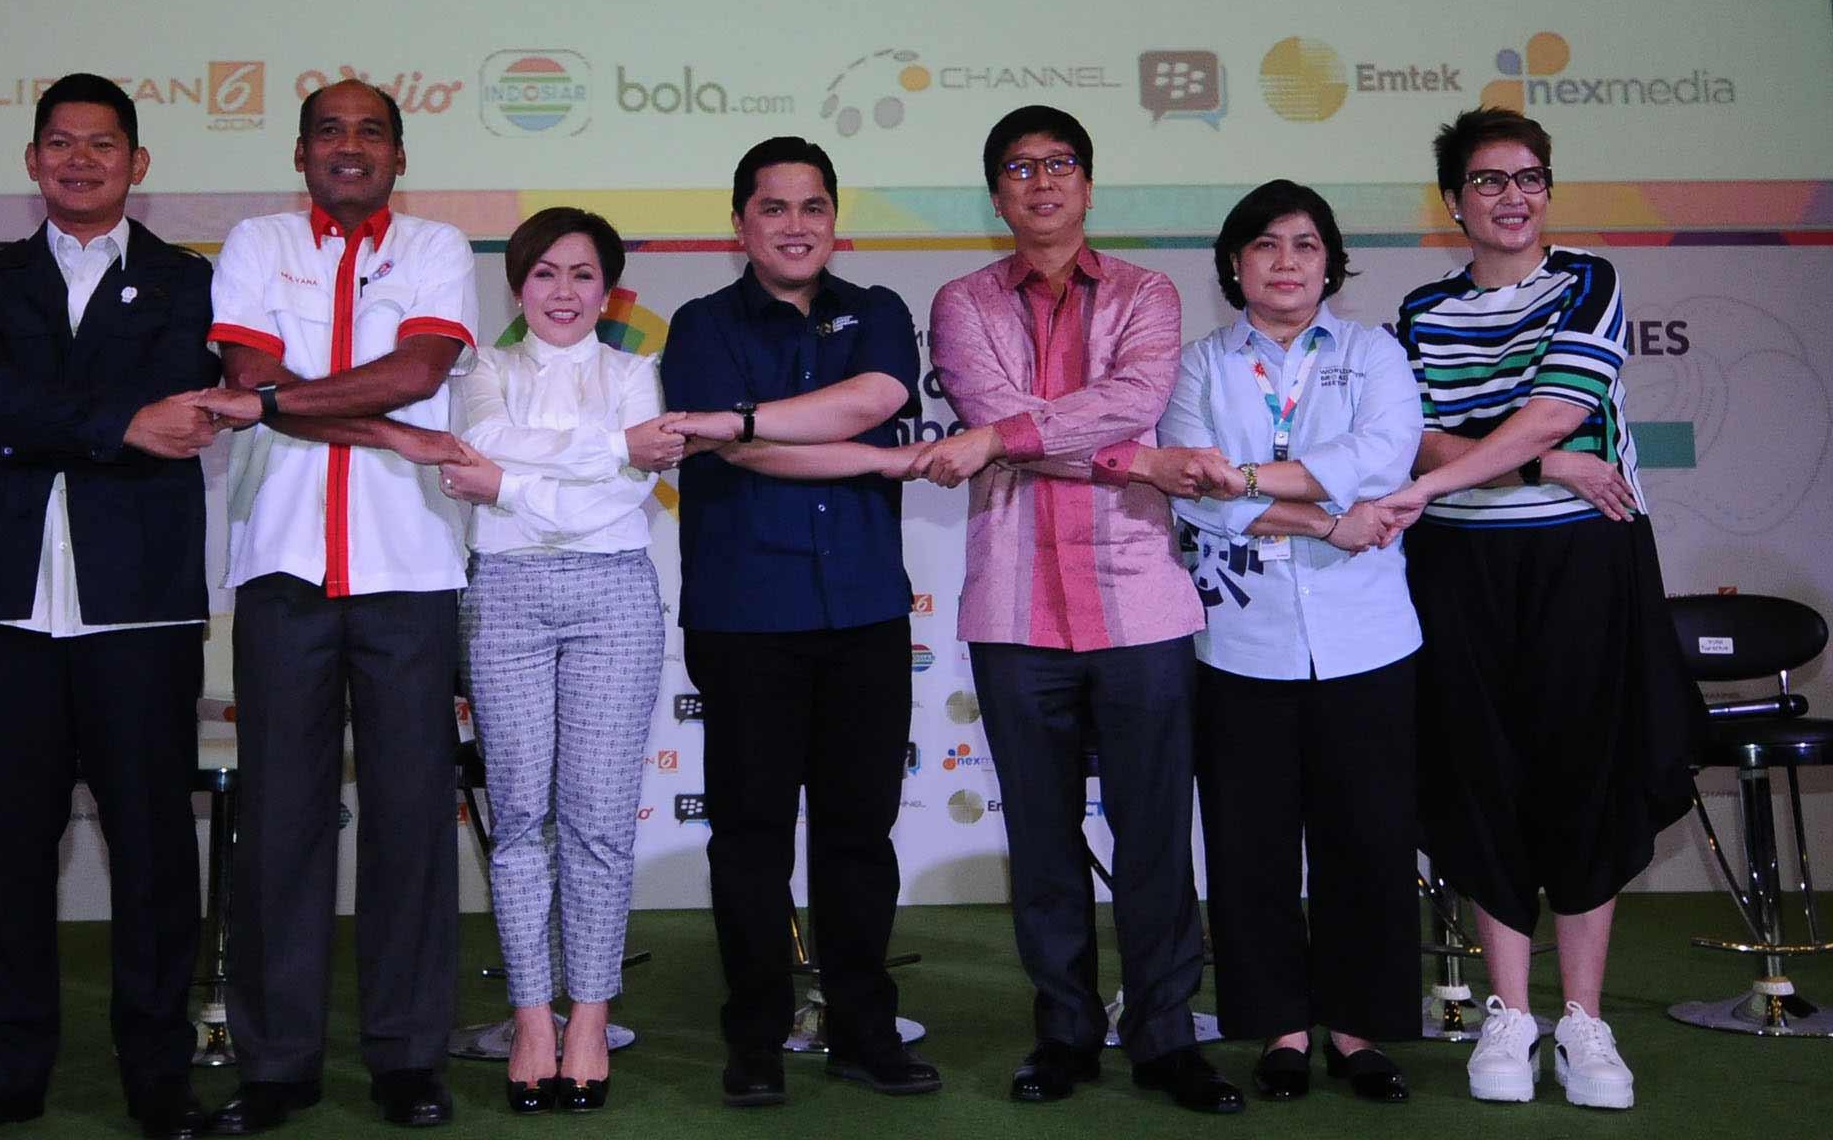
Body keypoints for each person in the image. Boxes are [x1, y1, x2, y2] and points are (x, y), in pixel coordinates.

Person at [1351, 108, 1696, 1111]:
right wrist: (1535, 465)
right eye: (1489, 180)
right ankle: (1509, 1016)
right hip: (1459, 565)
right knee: (1478, 777)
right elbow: (1421, 443)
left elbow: (1561, 402)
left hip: (1587, 562)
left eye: (1528, 178)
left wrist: (1477, 462)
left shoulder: (1587, 281)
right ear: (1451, 200)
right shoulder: (1420, 312)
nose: (1512, 197)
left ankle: (1583, 1018)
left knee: (1584, 773)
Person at [0, 74, 228, 1140]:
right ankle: (4, 1073)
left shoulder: (189, 283)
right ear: (32, 160)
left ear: (138, 164)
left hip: (137, 602)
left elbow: (179, 400)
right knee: (8, 850)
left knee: (151, 850)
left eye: (103, 144)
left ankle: (158, 1074)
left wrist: (24, 428)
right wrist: (117, 425)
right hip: (6, 601)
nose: (81, 159)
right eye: (60, 143)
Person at [916, 108, 1239, 1115]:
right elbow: (993, 411)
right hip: (1014, 610)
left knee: (1153, 837)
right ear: (997, 193)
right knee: (1046, 843)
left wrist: (1013, 437)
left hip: (1138, 602)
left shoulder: (1146, 293)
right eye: (1018, 167)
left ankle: (1164, 1034)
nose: (1041, 182)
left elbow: (1131, 397)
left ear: (1088, 187)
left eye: (1059, 165)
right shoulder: (962, 300)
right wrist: (1121, 453)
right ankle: (1062, 1030)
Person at [182, 78, 483, 1133]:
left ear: (399, 156)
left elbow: (414, 369)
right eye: (328, 130)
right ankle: (276, 1063)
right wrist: (351, 412)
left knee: (411, 820)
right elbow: (248, 368)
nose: (348, 147)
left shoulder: (440, 247)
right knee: (279, 823)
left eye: (370, 132)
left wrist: (276, 403)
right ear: (299, 152)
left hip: (409, 574)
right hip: (283, 571)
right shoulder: (257, 243)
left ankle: (407, 1056)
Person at [658, 136, 940, 1107]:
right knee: (749, 836)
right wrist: (869, 455)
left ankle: (864, 1027)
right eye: (772, 208)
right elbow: (744, 455)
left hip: (862, 608)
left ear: (834, 219)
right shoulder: (698, 324)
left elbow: (875, 398)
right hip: (746, 613)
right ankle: (757, 1037)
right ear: (739, 223)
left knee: (859, 833)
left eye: (810, 206)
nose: (793, 225)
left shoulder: (880, 312)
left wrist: (748, 418)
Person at [1142, 181, 1424, 1104]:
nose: (1288, 262)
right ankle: (1281, 1028)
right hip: (1240, 644)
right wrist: (1325, 519)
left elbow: (1382, 458)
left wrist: (1253, 480)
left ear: (1331, 261)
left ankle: (1357, 1026)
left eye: (1307, 244)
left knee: (1369, 840)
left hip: (1369, 640)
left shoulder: (1375, 352)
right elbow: (1190, 485)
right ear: (1235, 264)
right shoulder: (1199, 366)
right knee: (1250, 846)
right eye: (1266, 245)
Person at [434, 208, 678, 1113]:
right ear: (518, 286)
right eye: (544, 274)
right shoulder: (482, 371)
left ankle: (589, 1016)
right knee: (523, 814)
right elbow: (492, 452)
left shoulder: (636, 372)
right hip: (505, 598)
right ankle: (532, 1014)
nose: (564, 292)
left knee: (599, 821)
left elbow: (622, 501)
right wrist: (606, 456)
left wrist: (513, 489)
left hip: (615, 596)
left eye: (582, 275)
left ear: (608, 289)